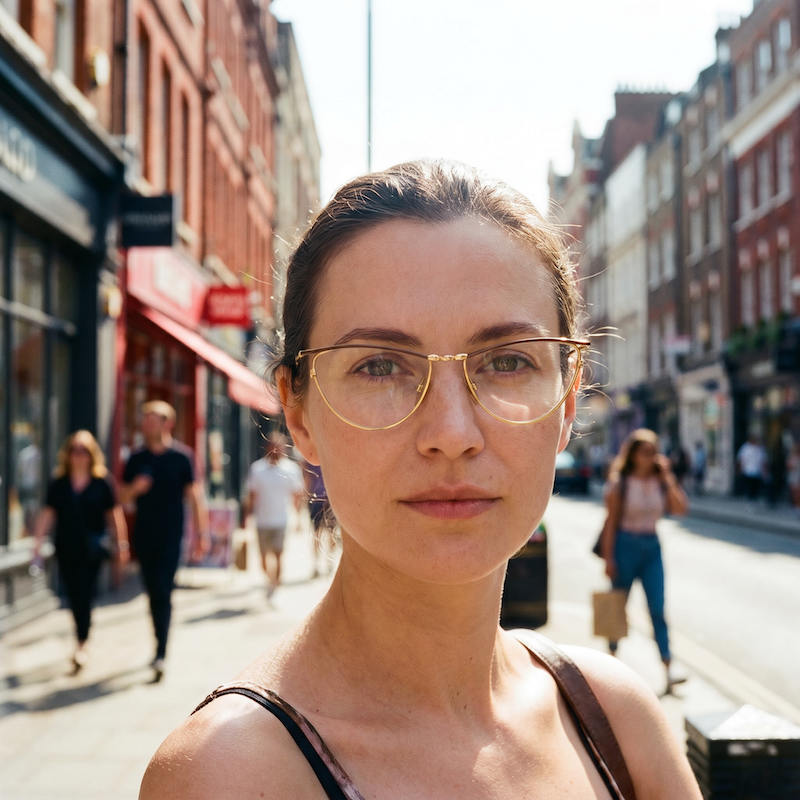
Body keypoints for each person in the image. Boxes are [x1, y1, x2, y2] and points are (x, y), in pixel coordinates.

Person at [141, 160, 701, 799]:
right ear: (298, 413)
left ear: (568, 401)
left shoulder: (617, 721)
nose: (452, 432)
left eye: (506, 362)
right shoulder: (230, 775)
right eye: (380, 366)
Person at [120, 400, 209, 680]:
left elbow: (195, 497)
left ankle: (160, 652)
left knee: (163, 590)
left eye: (152, 419)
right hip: (144, 536)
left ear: (167, 423)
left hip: (172, 536)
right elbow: (121, 498)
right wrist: (135, 489)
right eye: (144, 419)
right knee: (153, 592)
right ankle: (159, 643)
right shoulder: (136, 458)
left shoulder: (182, 457)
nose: (146, 424)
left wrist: (202, 535)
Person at [598, 428, 689, 691]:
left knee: (658, 609)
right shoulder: (620, 483)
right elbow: (610, 522)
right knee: (616, 607)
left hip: (652, 547)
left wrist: (668, 477)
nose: (650, 456)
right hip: (624, 545)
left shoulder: (661, 481)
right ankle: (609, 665)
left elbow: (681, 509)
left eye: (654, 451)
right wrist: (608, 559)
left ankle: (668, 668)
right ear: (633, 455)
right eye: (645, 452)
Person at [31, 431, 128, 671]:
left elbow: (114, 514)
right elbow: (48, 513)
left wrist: (121, 545)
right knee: (73, 594)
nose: (79, 455)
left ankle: (82, 644)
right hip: (66, 548)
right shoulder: (59, 483)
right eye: (74, 450)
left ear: (91, 454)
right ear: (68, 454)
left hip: (92, 551)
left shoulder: (101, 482)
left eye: (84, 450)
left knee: (84, 593)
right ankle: (81, 638)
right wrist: (37, 543)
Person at [246, 433, 304, 597]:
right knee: (263, 557)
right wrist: (246, 516)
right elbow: (251, 495)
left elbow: (297, 495)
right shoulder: (257, 469)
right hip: (262, 520)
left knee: (279, 555)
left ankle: (275, 584)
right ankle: (270, 579)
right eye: (273, 446)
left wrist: (298, 518)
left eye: (279, 447)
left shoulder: (291, 469)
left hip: (281, 520)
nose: (276, 450)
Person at [305, 461, 336, 576]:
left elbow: (306, 480)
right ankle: (328, 562)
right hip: (328, 498)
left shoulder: (309, 459)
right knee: (330, 533)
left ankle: (318, 564)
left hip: (316, 498)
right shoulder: (331, 457)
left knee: (317, 533)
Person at [736, 434, 768, 501]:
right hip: (748, 470)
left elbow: (763, 461)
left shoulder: (760, 449)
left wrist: (764, 472)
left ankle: (753, 497)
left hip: (756, 471)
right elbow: (741, 459)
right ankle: (749, 497)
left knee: (755, 486)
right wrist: (740, 469)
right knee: (749, 485)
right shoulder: (746, 448)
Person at [786, 442, 800, 516]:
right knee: (793, 492)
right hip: (793, 476)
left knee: (798, 493)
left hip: (798, 476)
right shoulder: (792, 457)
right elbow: (788, 466)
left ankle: (798, 507)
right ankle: (795, 507)